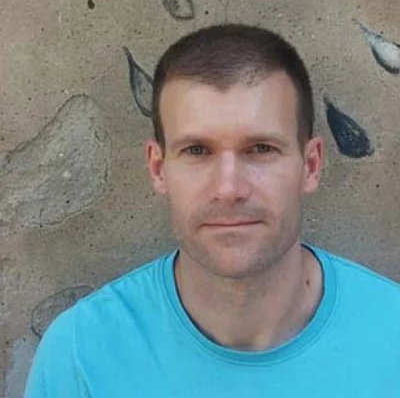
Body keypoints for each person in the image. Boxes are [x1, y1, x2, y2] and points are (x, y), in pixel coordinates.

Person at [24, 24, 400, 397]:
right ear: (158, 169)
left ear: (311, 165)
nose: (228, 189)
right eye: (197, 151)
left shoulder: (391, 336)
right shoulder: (81, 354)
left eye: (261, 149)